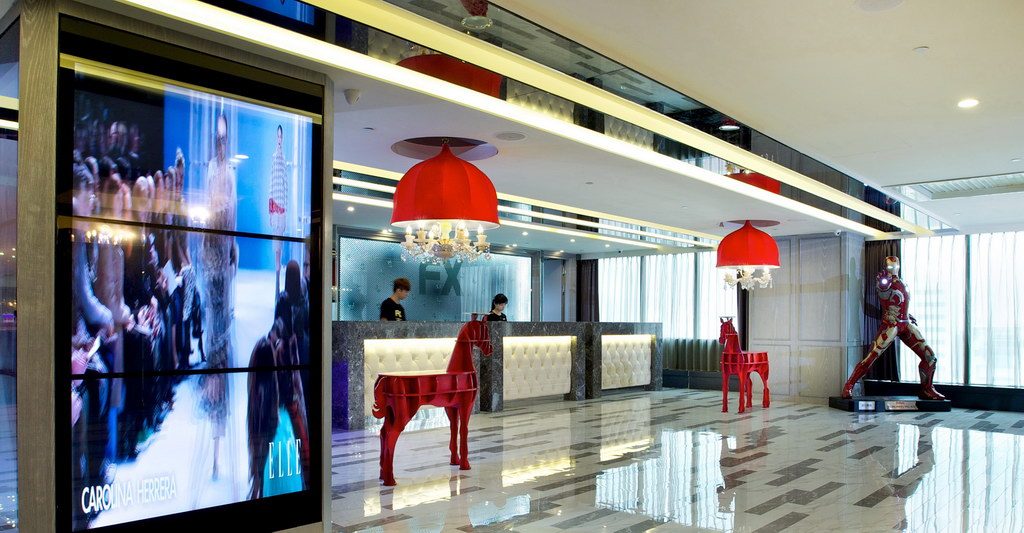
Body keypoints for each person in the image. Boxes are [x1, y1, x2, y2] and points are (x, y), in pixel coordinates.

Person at [841, 256, 946, 400]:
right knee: (871, 357)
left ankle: (927, 389)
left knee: (929, 357)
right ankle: (849, 385)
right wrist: (883, 284)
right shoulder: (885, 281)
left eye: (895, 265)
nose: (893, 268)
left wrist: (907, 314)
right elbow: (883, 293)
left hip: (905, 323)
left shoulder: (901, 282)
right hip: (891, 325)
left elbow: (900, 302)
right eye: (890, 266)